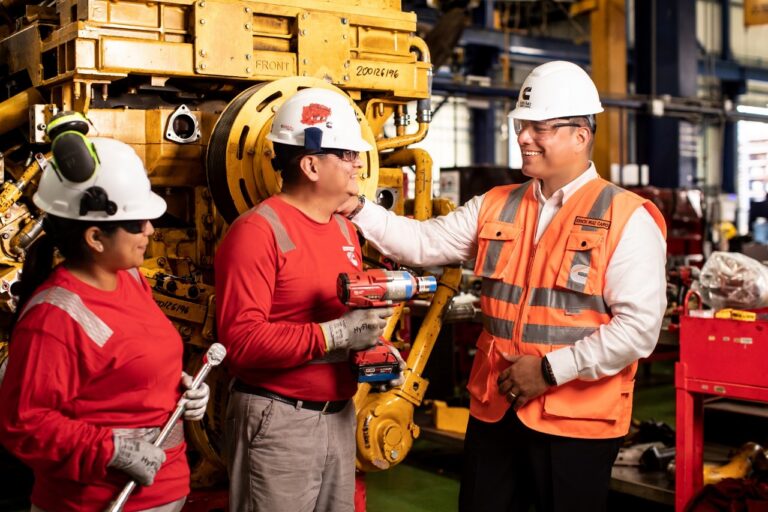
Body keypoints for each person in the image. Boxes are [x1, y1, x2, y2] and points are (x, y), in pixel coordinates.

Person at [340, 60, 668, 512]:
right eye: (521, 126)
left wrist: (550, 370)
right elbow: (422, 242)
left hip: (576, 420)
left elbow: (638, 329)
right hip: (496, 408)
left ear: (581, 134)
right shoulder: (496, 204)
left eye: (540, 128)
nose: (524, 138)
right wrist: (355, 205)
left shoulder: (627, 217)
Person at [0, 125, 210, 512]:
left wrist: (181, 389)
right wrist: (111, 450)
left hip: (161, 493)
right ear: (95, 238)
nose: (149, 230)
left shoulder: (130, 280)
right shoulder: (53, 318)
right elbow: (24, 426)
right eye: (136, 224)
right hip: (99, 501)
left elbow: (129, 367)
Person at [215, 87, 393, 512]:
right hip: (279, 420)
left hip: (339, 414)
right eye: (347, 155)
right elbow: (240, 343)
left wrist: (376, 351)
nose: (357, 165)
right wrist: (335, 334)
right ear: (311, 164)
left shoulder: (345, 231)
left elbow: (347, 322)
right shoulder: (256, 232)